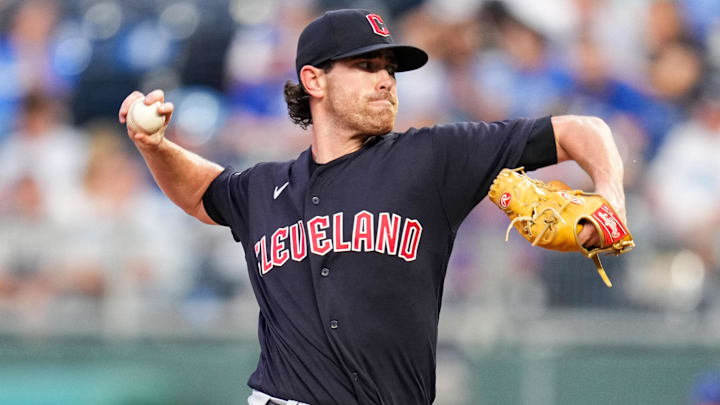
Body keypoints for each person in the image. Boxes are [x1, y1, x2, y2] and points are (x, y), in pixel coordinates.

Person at [118, 9, 626, 405]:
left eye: (390, 69)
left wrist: (611, 198)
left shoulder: (433, 157)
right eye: (366, 66)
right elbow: (202, 193)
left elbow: (583, 130)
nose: (386, 79)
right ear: (314, 80)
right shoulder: (265, 187)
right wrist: (154, 146)